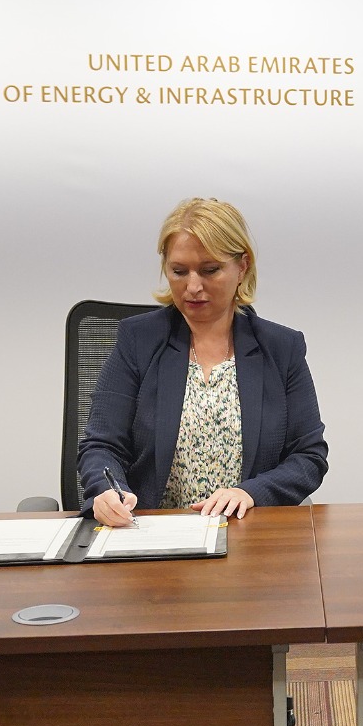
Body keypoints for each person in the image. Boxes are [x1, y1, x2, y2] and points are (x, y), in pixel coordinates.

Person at [79, 197, 328, 527]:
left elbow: (308, 456)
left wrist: (252, 492)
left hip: (246, 533)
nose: (193, 287)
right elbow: (101, 445)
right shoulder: (137, 340)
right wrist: (107, 492)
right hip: (151, 532)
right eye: (179, 271)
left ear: (242, 267)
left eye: (210, 270)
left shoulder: (281, 348)